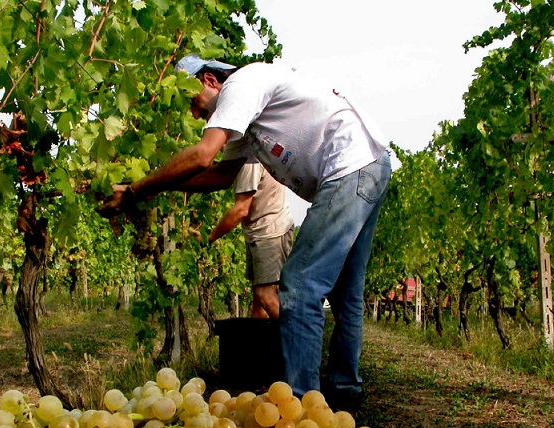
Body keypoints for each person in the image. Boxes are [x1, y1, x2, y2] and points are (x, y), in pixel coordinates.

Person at [101, 54, 392, 398]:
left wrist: (136, 191)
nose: (194, 114)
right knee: (345, 295)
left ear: (209, 80)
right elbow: (220, 175)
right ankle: (345, 392)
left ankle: (301, 401)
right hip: (367, 165)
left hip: (349, 167)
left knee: (299, 286)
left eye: (191, 101)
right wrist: (159, 185)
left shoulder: (240, 84)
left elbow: (202, 155)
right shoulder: (249, 121)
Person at [209, 160, 294, 319]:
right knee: (258, 301)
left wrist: (209, 238)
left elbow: (240, 210)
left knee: (265, 296)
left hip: (270, 232)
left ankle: (300, 342)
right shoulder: (247, 154)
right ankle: (259, 344)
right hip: (259, 232)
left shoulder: (250, 161)